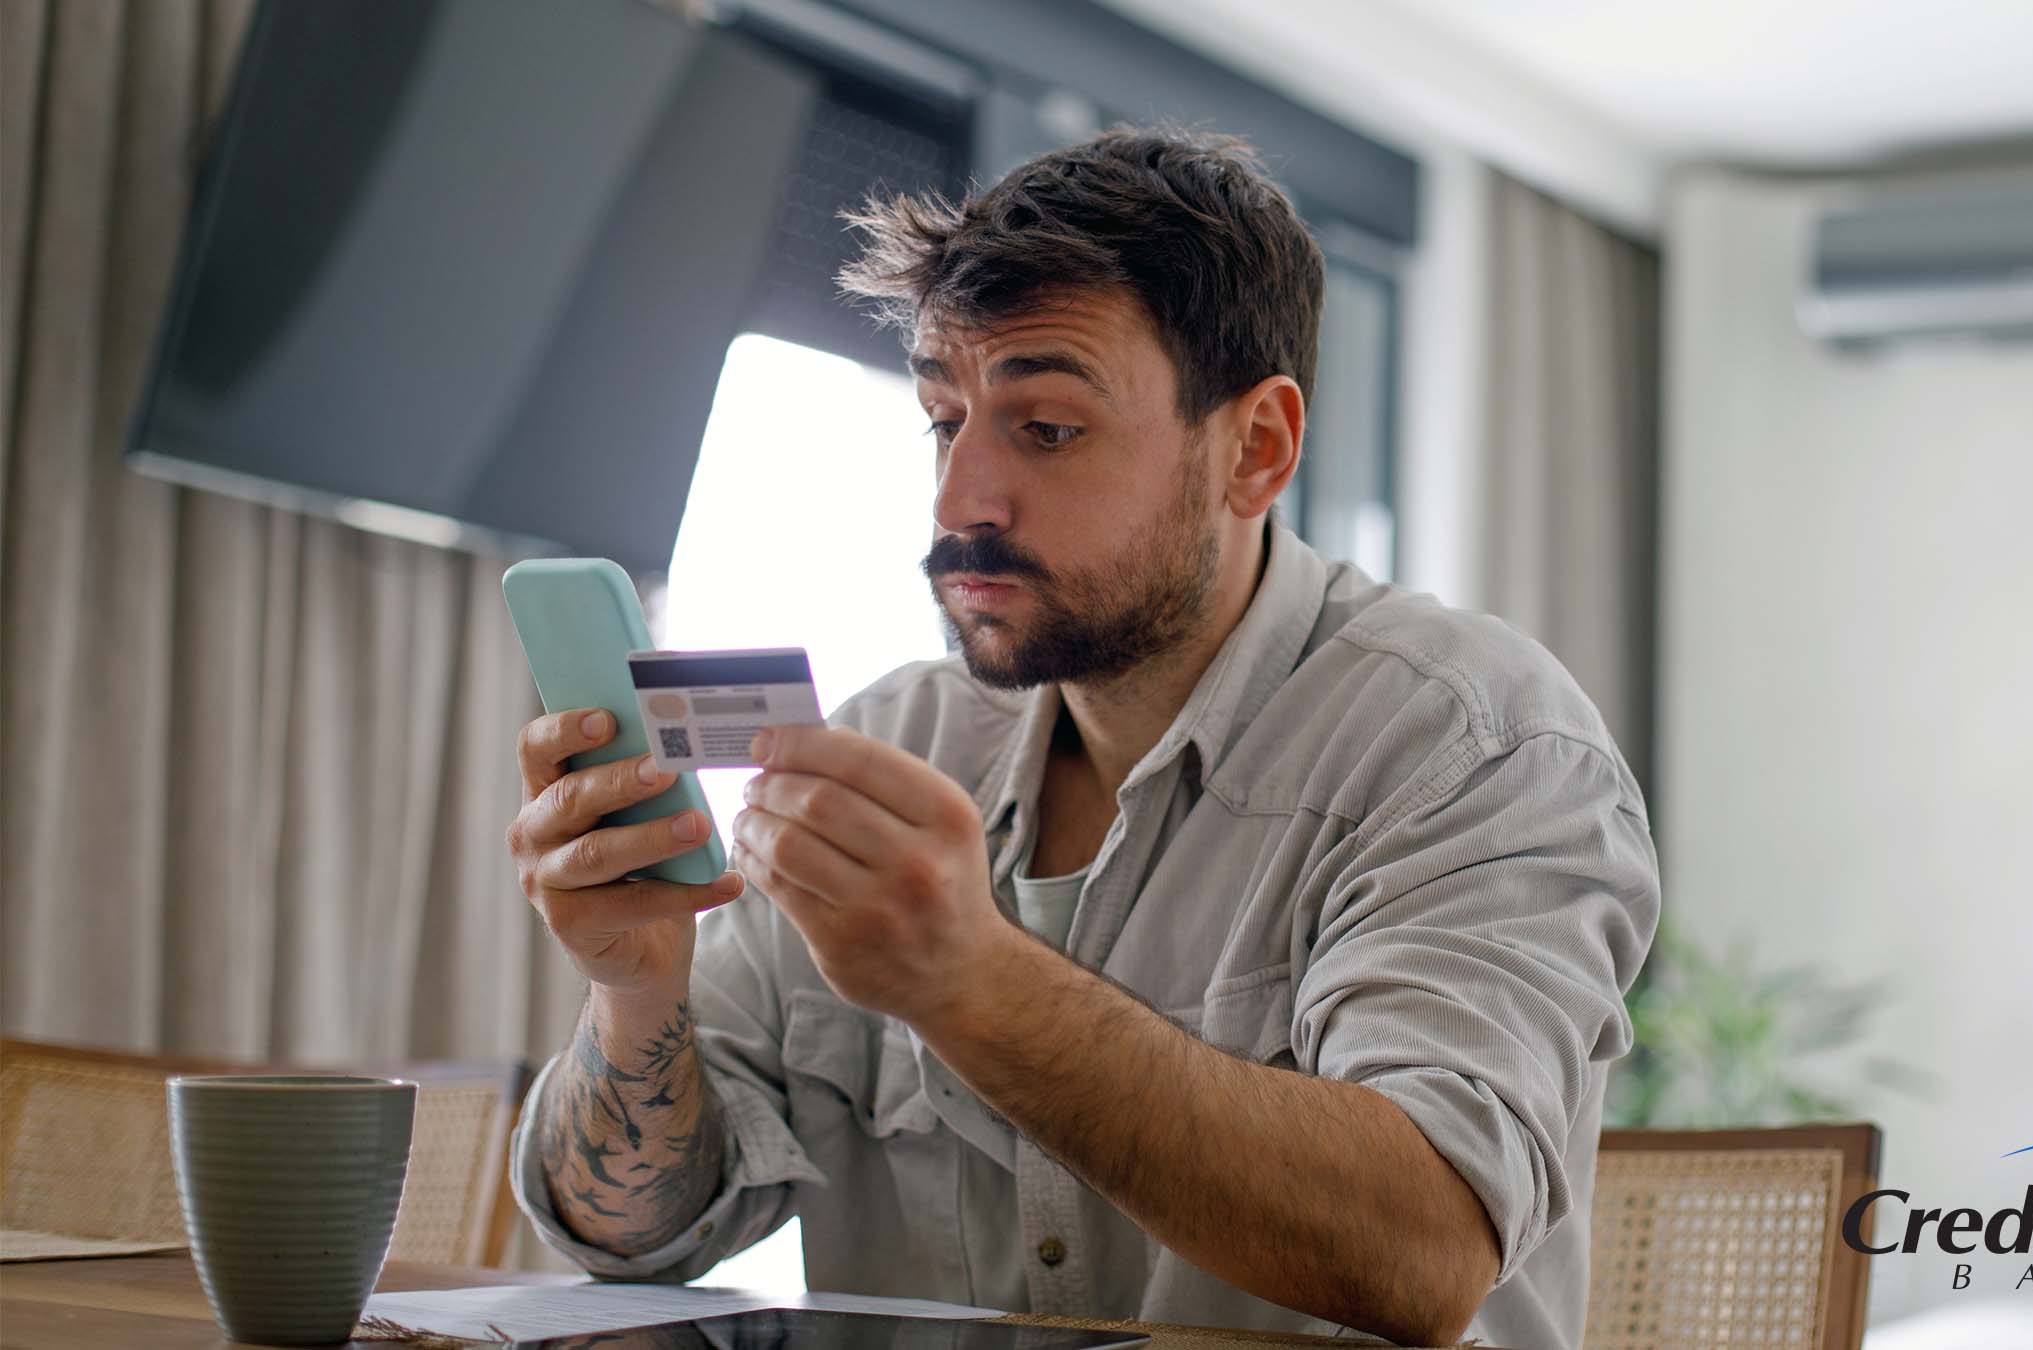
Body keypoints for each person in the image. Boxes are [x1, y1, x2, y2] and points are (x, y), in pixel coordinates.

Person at [504, 126, 1659, 1350]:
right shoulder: (898, 739)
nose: (960, 502)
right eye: (945, 421)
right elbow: (636, 1234)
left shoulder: (1476, 747)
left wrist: (970, 983)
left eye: (1046, 429)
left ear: (1255, 449)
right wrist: (636, 998)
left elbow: (1424, 1252)